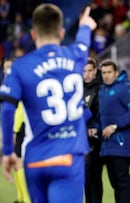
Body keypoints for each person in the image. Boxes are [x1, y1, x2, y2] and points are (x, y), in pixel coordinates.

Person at [0, 4, 97, 203]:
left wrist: (7, 151)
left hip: (35, 160)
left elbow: (7, 108)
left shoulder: (19, 67)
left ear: (33, 34)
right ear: (61, 33)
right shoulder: (77, 55)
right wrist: (85, 25)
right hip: (68, 158)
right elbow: (83, 40)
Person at [98, 59, 130, 203]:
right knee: (115, 182)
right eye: (103, 73)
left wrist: (115, 126)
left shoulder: (125, 88)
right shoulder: (103, 90)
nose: (106, 76)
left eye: (109, 72)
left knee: (122, 180)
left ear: (116, 73)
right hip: (107, 144)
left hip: (121, 141)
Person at [3, 58, 31, 203]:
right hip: (17, 127)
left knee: (19, 162)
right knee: (17, 163)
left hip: (21, 128)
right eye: (5, 67)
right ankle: (21, 197)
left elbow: (20, 109)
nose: (6, 70)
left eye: (9, 67)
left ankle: (26, 199)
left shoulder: (18, 83)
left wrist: (14, 130)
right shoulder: (10, 84)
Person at [83, 57, 103, 203]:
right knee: (85, 177)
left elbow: (102, 112)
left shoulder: (100, 89)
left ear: (95, 71)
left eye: (90, 70)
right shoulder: (78, 88)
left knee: (94, 176)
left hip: (95, 139)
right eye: (84, 71)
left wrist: (95, 127)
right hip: (80, 139)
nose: (87, 74)